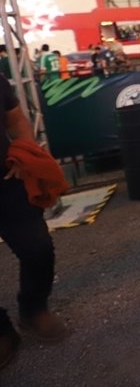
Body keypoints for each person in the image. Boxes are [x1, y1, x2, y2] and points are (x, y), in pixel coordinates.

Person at [0, 74, 70, 370]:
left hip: (6, 180)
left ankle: (32, 309)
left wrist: (22, 153)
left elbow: (16, 119)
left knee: (38, 248)